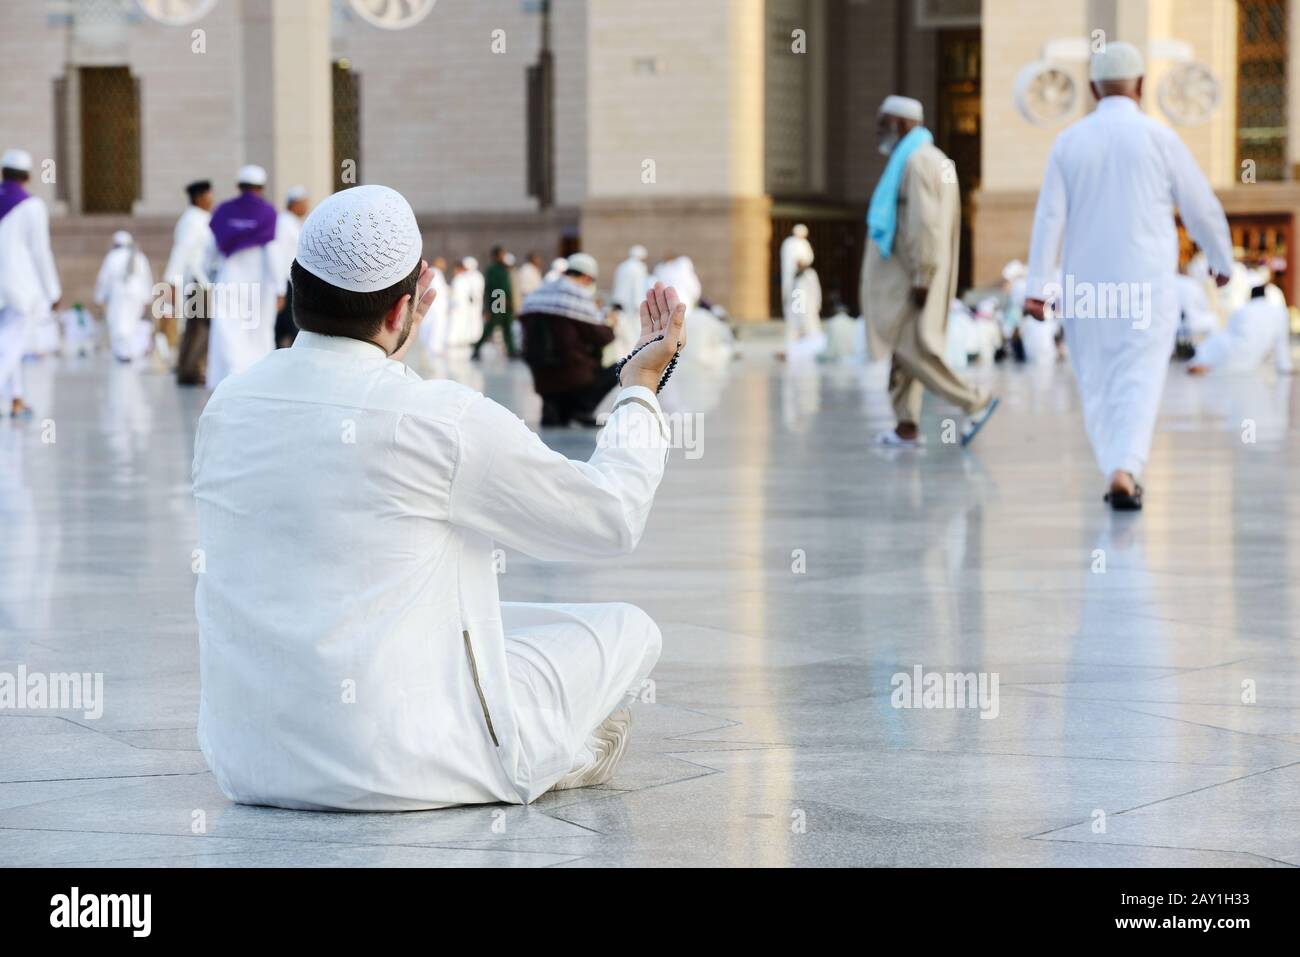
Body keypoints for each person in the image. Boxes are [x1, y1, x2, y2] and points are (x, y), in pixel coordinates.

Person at [193, 184, 686, 810]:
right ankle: (545, 753)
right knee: (627, 629)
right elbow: (608, 518)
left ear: (294, 288)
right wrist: (641, 386)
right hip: (400, 768)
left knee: (490, 622)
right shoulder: (442, 421)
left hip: (250, 764)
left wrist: (389, 345)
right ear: (403, 311)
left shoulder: (228, 405)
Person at [1024, 42, 1233, 510]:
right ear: (1140, 86)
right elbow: (1201, 208)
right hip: (1145, 285)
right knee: (1139, 376)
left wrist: (1038, 288)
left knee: (1096, 378)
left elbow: (1049, 218)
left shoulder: (1069, 141)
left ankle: (1114, 466)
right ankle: (1126, 467)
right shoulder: (1161, 138)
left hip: (1086, 288)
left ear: (1095, 87)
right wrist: (1220, 261)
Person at [860, 96, 998, 449]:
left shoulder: (918, 162)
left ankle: (974, 400)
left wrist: (922, 277)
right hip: (912, 278)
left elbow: (925, 226)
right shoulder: (925, 158)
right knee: (904, 350)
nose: (878, 131)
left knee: (915, 353)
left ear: (901, 124)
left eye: (883, 123)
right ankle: (906, 426)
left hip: (912, 280)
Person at [205, 164, 282, 389]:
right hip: (260, 279)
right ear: (262, 188)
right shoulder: (268, 213)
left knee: (228, 327)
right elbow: (273, 253)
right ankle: (258, 378)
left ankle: (230, 374)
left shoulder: (224, 211)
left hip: (230, 276)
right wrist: (280, 288)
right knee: (259, 329)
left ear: (238, 186)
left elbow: (210, 250)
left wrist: (207, 276)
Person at [522, 253, 618, 427]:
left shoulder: (540, 292)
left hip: (540, 371)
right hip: (571, 369)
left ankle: (554, 409)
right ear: (587, 277)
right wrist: (610, 323)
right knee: (618, 368)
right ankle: (581, 409)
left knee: (559, 380)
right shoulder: (577, 297)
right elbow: (602, 338)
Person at [0, 148, 61, 419]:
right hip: (18, 286)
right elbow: (40, 252)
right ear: (27, 176)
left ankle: (16, 399)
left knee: (8, 341)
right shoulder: (32, 206)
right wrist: (53, 290)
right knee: (11, 345)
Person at [1189, 282, 1293, 376]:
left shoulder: (1242, 310)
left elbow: (1228, 332)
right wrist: (1285, 367)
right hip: (1253, 357)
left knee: (1212, 342)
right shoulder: (1279, 312)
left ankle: (1200, 362)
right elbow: (1281, 343)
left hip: (1234, 350)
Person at [168, 179, 215, 385]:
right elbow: (182, 251)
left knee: (196, 327)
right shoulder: (194, 220)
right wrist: (171, 281)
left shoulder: (200, 218)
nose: (211, 199)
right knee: (200, 328)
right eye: (208, 195)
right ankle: (189, 371)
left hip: (202, 281)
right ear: (199, 197)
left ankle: (187, 367)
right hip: (198, 281)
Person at [93, 231, 155, 362]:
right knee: (131, 322)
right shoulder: (140, 257)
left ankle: (123, 352)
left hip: (119, 294)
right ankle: (128, 351)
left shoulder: (113, 256)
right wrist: (147, 298)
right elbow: (147, 279)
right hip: (136, 295)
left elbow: (104, 279)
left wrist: (100, 297)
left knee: (119, 322)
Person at [274, 185, 309, 348]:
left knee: (286, 325)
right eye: (303, 203)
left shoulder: (293, 223)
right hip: (286, 281)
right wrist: (280, 288)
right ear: (294, 204)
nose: (306, 207)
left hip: (292, 281)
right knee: (291, 324)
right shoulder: (284, 223)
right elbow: (279, 255)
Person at [472, 245, 518, 359]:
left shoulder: (503, 268)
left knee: (507, 328)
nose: (503, 257)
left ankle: (511, 350)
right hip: (498, 303)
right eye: (501, 254)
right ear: (496, 256)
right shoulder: (493, 270)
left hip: (506, 304)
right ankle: (476, 349)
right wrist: (502, 301)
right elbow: (494, 287)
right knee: (490, 327)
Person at [416, 255, 451, 360]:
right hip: (435, 306)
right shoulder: (435, 272)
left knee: (434, 325)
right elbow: (436, 290)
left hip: (437, 306)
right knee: (434, 326)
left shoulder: (438, 273)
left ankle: (434, 347)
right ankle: (434, 348)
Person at [780, 225, 814, 319]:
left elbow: (809, 258)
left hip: (801, 274)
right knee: (790, 292)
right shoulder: (789, 243)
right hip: (791, 274)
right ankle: (790, 315)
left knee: (800, 293)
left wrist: (803, 265)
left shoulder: (804, 243)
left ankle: (799, 315)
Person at [613, 244, 649, 313]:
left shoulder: (622, 266)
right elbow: (638, 287)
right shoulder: (639, 268)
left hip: (619, 300)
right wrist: (639, 304)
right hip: (631, 303)